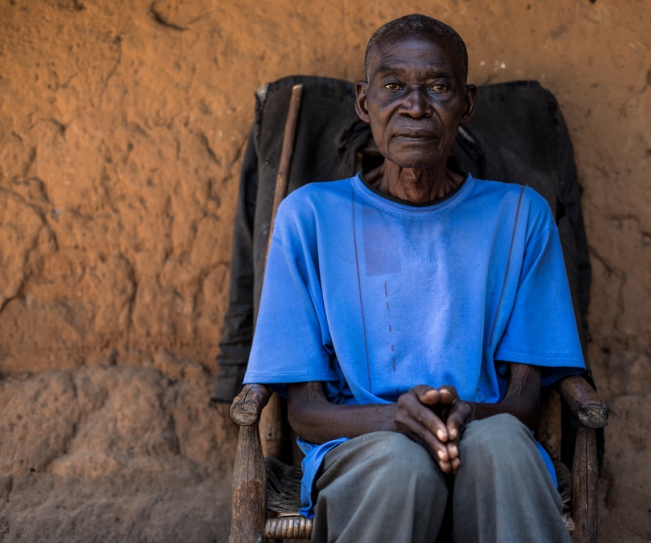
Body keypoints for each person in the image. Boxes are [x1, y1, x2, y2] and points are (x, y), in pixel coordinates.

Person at [242, 14, 584, 543]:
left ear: (466, 105)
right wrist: (395, 420)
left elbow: (524, 402)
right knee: (401, 464)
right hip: (360, 445)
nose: (416, 108)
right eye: (394, 86)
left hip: (484, 428)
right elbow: (306, 413)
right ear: (364, 102)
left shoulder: (519, 217)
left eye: (439, 87)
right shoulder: (309, 217)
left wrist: (467, 416)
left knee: (504, 447)